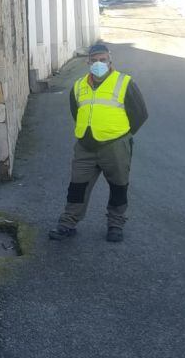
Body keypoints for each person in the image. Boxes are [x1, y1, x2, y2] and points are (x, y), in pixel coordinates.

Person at [49, 43, 148, 243]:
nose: (98, 64)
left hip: (115, 146)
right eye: (94, 61)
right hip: (85, 147)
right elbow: (76, 112)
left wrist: (123, 136)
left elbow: (140, 114)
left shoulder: (124, 82)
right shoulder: (78, 86)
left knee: (119, 186)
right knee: (77, 186)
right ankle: (68, 223)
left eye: (102, 60)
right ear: (88, 62)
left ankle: (115, 225)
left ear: (110, 60)